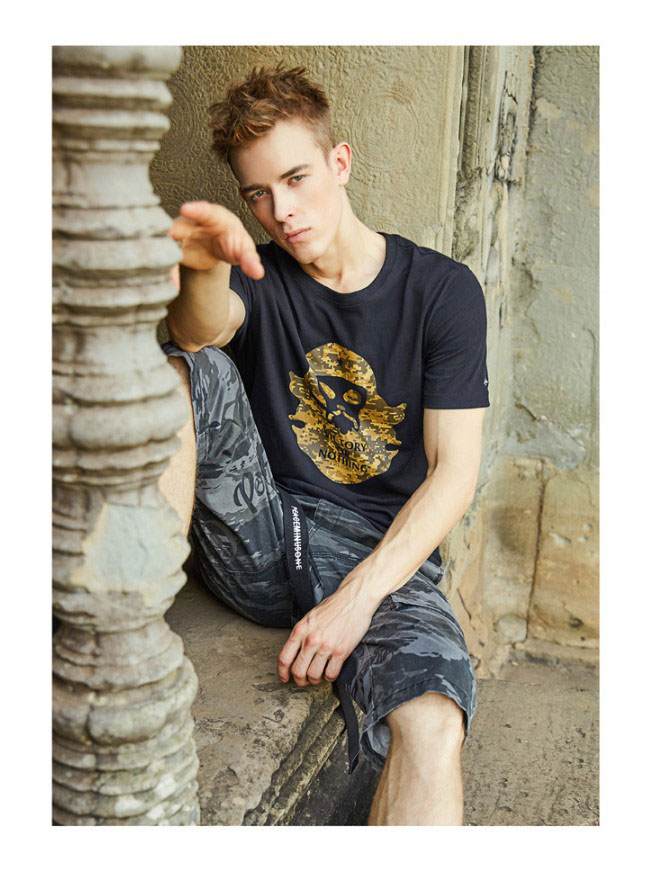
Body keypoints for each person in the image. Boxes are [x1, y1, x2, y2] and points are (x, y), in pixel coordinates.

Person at [160, 64, 489, 825]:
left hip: (379, 557)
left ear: (339, 163)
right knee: (188, 366)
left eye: (296, 178)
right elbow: (199, 330)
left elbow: (454, 473)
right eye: (258, 194)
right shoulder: (261, 277)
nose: (281, 211)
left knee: (436, 721)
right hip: (261, 531)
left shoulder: (442, 292)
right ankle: (128, 620)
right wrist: (202, 266)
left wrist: (357, 599)